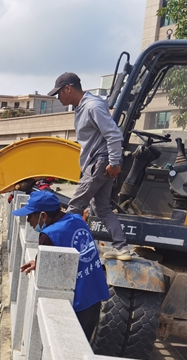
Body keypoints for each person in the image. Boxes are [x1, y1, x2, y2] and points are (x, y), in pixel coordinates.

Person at [48, 72, 132, 261]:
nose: (58, 98)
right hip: (98, 162)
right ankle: (122, 249)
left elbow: (114, 135)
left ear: (68, 88)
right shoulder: (82, 107)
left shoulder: (92, 106)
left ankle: (58, 250)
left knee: (75, 206)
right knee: (102, 208)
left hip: (99, 162)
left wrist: (115, 162)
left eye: (59, 93)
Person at [16, 190, 109, 340]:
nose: (28, 222)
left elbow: (49, 275)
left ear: (43, 215)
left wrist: (41, 262)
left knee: (69, 345)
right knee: (83, 344)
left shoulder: (48, 235)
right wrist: (39, 261)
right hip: (94, 294)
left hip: (77, 302)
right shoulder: (77, 220)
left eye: (29, 216)